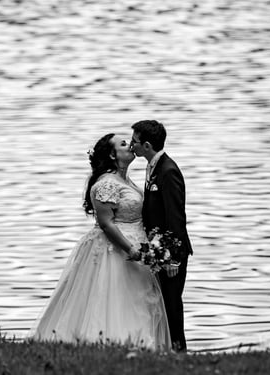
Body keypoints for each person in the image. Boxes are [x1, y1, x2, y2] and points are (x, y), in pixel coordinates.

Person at [29, 133, 171, 350]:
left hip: (137, 246)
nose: (130, 145)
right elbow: (106, 224)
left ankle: (140, 348)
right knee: (111, 300)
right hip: (115, 250)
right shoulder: (106, 184)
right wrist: (130, 249)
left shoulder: (126, 180)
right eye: (124, 144)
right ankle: (110, 345)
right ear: (112, 155)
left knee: (137, 302)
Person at [130, 120, 194, 352]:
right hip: (160, 250)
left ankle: (180, 352)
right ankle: (168, 350)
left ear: (147, 145)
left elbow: (175, 217)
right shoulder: (153, 166)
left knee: (172, 304)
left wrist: (172, 258)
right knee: (163, 304)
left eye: (135, 142)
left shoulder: (168, 171)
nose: (131, 147)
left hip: (172, 253)